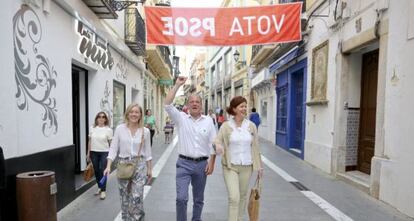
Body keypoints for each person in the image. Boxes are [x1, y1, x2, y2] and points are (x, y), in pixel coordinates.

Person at [164, 76, 217, 221]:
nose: (194, 104)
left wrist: (212, 162)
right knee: (181, 198)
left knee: (198, 199)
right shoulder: (181, 118)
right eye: (192, 102)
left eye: (197, 102)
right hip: (183, 164)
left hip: (202, 165)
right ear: (187, 105)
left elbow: (214, 143)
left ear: (201, 105)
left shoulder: (208, 122)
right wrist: (176, 86)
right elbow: (167, 105)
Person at [214, 96, 264, 221]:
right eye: (241, 106)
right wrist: (219, 146)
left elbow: (256, 147)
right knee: (234, 197)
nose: (244, 108)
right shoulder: (226, 126)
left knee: (242, 197)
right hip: (230, 166)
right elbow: (217, 140)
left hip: (247, 167)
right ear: (234, 109)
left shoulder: (251, 126)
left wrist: (260, 167)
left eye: (245, 106)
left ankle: (239, 219)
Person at [104, 103, 152, 221]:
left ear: (141, 114)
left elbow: (148, 153)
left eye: (136, 112)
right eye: (131, 112)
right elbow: (113, 148)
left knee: (137, 198)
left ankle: (137, 218)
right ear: (127, 114)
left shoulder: (145, 131)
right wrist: (108, 166)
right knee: (124, 198)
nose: (134, 114)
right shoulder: (120, 129)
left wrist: (150, 169)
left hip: (139, 165)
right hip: (123, 166)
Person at [87, 111, 113, 200]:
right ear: (97, 118)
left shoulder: (108, 130)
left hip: (104, 152)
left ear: (105, 119)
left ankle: (103, 191)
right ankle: (99, 186)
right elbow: (90, 141)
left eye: (103, 117)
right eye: (99, 117)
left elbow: (111, 143)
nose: (101, 118)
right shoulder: (92, 128)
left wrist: (111, 155)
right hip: (93, 152)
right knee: (96, 170)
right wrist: (88, 153)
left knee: (103, 170)